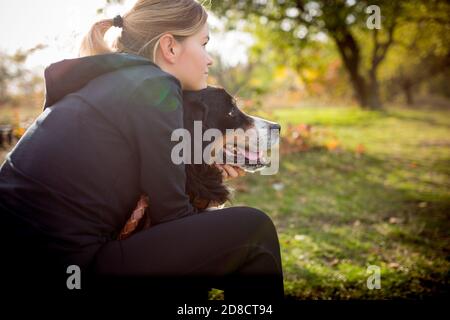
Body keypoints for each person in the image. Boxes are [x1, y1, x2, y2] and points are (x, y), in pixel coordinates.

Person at [0, 0, 284, 302]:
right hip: (69, 270)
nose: (209, 59)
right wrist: (208, 203)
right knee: (255, 233)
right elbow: (174, 218)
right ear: (170, 48)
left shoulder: (111, 82)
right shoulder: (153, 85)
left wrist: (205, 167)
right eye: (203, 44)